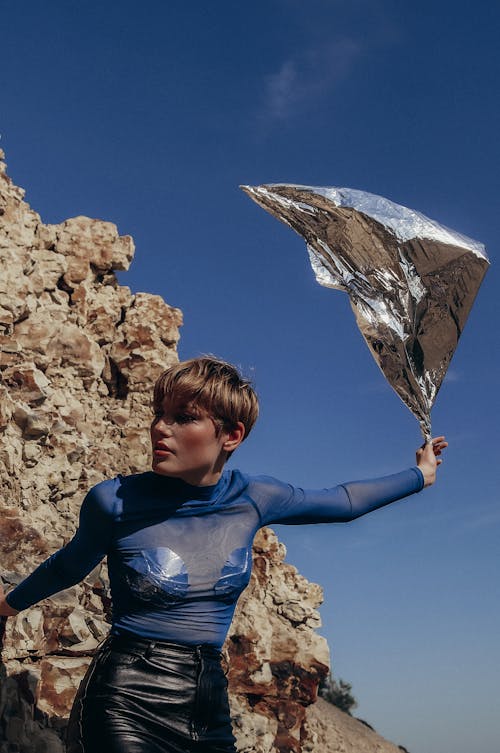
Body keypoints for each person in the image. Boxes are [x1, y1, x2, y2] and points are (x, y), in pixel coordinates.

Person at [0, 357, 447, 753]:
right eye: (160, 414)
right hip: (125, 696)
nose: (160, 427)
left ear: (231, 434)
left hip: (207, 702)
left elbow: (344, 501)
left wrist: (420, 475)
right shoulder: (114, 501)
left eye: (183, 418)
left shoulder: (254, 497)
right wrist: (5, 607)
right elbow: (69, 566)